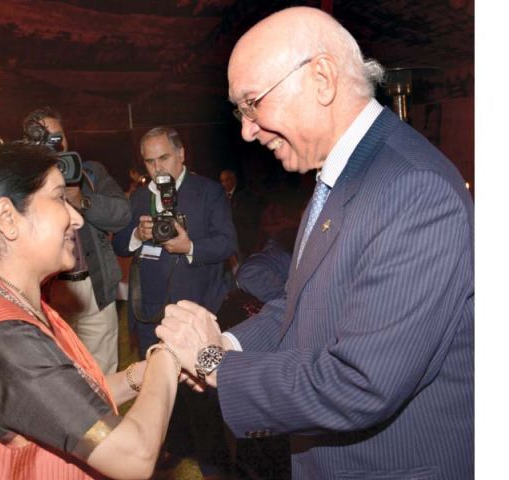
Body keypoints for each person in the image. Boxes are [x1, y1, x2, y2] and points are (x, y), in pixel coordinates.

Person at [156, 6, 474, 480]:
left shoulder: (412, 188)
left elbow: (361, 383)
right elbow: (303, 306)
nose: (246, 129)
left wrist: (214, 363)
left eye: (252, 103)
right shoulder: (346, 175)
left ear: (322, 78)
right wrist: (227, 342)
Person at [0, 143, 180, 480]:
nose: (76, 217)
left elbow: (61, 399)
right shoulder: (3, 335)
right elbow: (134, 457)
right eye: (59, 197)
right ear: (7, 218)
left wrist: (142, 376)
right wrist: (167, 354)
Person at [112, 126, 237, 358]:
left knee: (198, 387)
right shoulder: (139, 197)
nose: (158, 168)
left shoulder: (209, 192)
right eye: (150, 161)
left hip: (197, 308)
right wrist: (137, 235)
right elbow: (119, 246)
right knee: (156, 385)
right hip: (150, 314)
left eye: (164, 158)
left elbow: (228, 243)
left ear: (181, 154)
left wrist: (189, 247)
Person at [23, 107, 131, 374]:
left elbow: (122, 215)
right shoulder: (21, 180)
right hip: (48, 290)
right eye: (43, 139)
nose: (53, 145)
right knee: (59, 374)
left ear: (67, 138)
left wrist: (82, 199)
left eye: (57, 137)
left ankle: (105, 417)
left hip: (93, 287)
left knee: (103, 372)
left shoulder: (91, 173)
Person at [219, 169, 264, 262]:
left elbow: (248, 217)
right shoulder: (223, 196)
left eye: (226, 180)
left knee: (244, 265)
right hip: (229, 240)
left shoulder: (244, 194)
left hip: (243, 240)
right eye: (222, 181)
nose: (224, 184)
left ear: (233, 179)